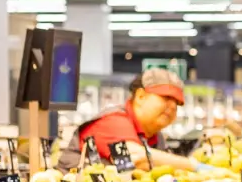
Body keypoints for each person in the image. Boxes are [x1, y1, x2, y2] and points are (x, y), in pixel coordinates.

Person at [72, 68, 202, 171]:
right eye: (166, 98)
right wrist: (194, 166)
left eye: (177, 103)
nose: (173, 106)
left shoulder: (156, 137)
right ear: (140, 96)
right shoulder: (113, 121)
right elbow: (137, 159)